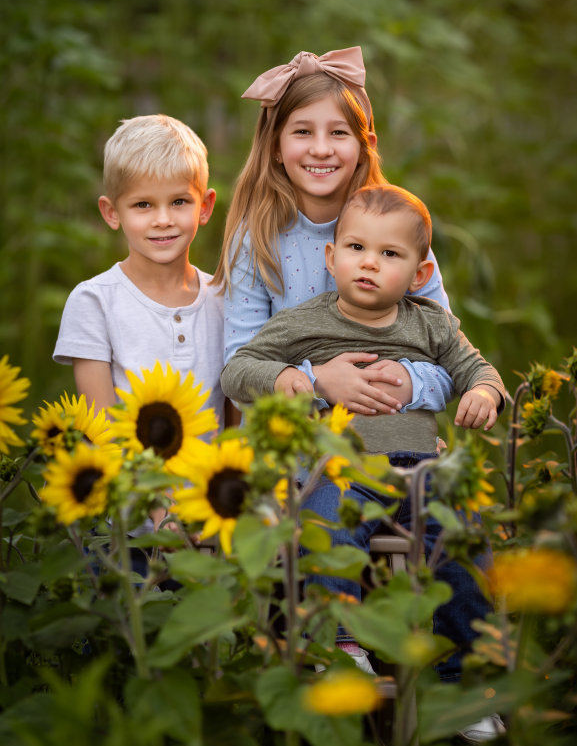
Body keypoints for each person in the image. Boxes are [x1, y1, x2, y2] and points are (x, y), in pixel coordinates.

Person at [221, 183, 506, 744]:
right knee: (325, 527)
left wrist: (486, 396)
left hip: (425, 467)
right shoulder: (307, 320)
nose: (369, 263)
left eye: (389, 254)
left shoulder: (431, 324)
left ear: (420, 273)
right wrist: (294, 378)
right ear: (332, 258)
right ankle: (344, 649)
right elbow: (240, 368)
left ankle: (466, 685)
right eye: (355, 248)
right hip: (347, 467)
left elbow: (479, 369)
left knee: (467, 544)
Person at [212, 46, 454, 418]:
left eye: (338, 132)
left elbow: (451, 359)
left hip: (389, 458)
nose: (321, 149)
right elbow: (239, 376)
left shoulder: (400, 236)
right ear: (275, 146)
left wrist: (407, 381)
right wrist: (318, 382)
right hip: (291, 457)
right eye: (303, 132)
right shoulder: (256, 240)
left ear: (364, 146)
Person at [54, 113, 235, 539]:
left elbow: (233, 420)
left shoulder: (226, 300)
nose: (162, 220)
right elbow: (102, 429)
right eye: (142, 205)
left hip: (215, 523)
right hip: (127, 532)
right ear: (111, 212)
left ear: (205, 206)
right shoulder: (95, 302)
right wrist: (159, 514)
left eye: (179, 202)